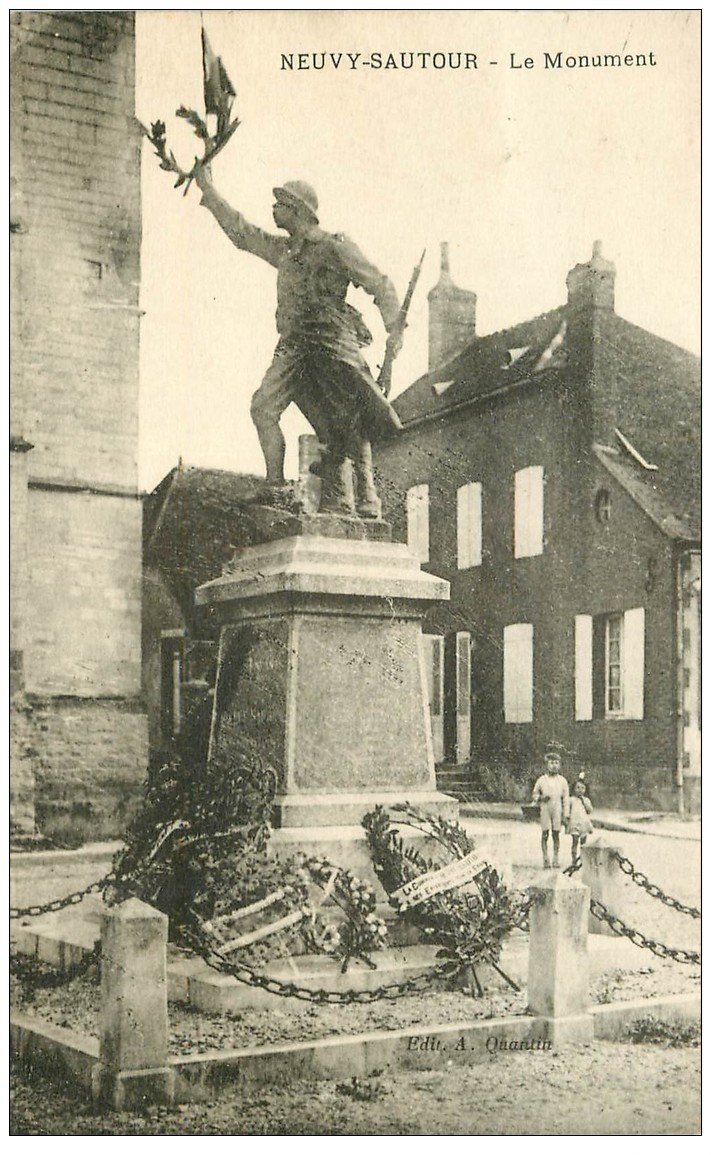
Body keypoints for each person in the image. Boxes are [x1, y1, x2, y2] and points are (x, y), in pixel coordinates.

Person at [194, 167, 403, 517]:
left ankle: (365, 498)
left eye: (280, 204)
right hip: (294, 346)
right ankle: (276, 488)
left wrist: (394, 327)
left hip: (332, 342)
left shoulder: (334, 245)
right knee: (263, 408)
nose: (273, 210)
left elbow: (379, 284)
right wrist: (209, 190)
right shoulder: (285, 251)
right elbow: (243, 233)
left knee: (349, 415)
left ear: (299, 210)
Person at [531, 743, 570, 869]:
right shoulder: (542, 780)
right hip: (545, 808)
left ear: (560, 765)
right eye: (552, 763)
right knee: (545, 833)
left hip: (557, 808)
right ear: (547, 765)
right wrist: (540, 798)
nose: (554, 765)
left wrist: (566, 814)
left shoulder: (562, 781)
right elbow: (534, 794)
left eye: (556, 763)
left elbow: (566, 798)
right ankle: (545, 858)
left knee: (556, 834)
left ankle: (555, 858)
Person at [566, 774, 594, 865]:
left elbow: (590, 811)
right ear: (574, 789)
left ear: (585, 790)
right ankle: (574, 860)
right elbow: (567, 811)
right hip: (574, 823)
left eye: (582, 788)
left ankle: (583, 859)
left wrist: (584, 801)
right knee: (575, 841)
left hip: (584, 824)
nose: (580, 790)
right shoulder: (571, 800)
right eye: (577, 787)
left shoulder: (586, 800)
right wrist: (566, 820)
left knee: (583, 843)